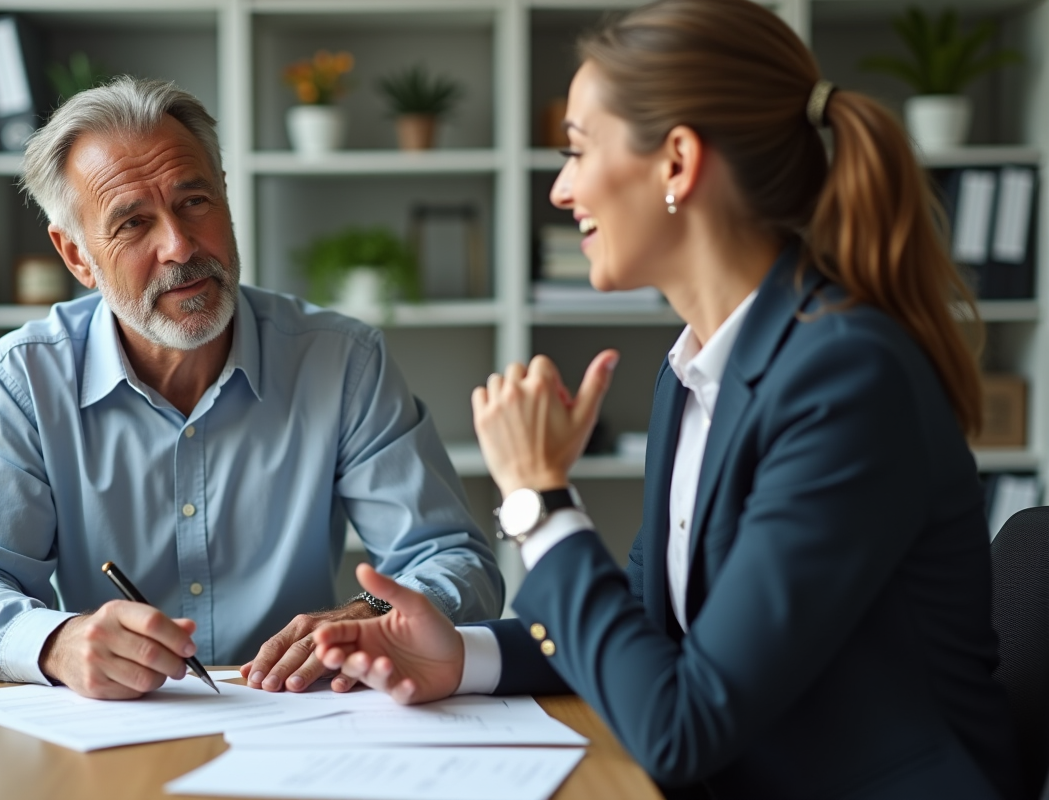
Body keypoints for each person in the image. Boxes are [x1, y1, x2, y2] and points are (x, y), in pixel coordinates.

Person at [311, 1, 1022, 798]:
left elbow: (684, 725)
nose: (560, 190)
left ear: (678, 162)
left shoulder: (846, 378)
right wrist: (467, 657)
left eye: (577, 151)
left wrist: (540, 502)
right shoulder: (697, 369)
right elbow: (660, 631)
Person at [0, 77, 502, 701]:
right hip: (116, 738)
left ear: (225, 195)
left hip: (300, 718)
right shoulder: (21, 379)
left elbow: (456, 562)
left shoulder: (342, 360)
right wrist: (59, 642)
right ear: (78, 257)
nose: (180, 246)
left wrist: (371, 612)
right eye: (133, 223)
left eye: (194, 202)